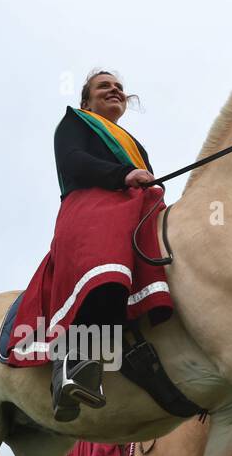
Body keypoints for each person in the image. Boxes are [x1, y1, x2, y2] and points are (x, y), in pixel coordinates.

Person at [46, 71, 158, 420]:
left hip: (136, 211)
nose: (115, 90)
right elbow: (72, 161)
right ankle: (72, 363)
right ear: (86, 102)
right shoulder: (74, 122)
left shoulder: (135, 145)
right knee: (108, 266)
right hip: (92, 208)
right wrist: (122, 175)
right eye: (104, 86)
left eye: (120, 87)